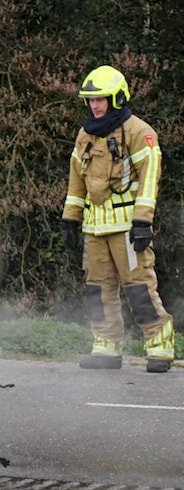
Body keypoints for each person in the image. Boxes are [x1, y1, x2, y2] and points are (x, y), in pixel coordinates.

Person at [61, 65, 174, 373]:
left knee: (138, 287)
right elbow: (76, 181)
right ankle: (106, 346)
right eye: (91, 100)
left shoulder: (140, 132)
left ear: (118, 98)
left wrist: (142, 222)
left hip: (127, 229)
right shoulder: (85, 134)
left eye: (102, 99)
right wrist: (70, 219)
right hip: (95, 228)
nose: (95, 105)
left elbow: (149, 180)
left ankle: (159, 344)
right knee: (98, 289)